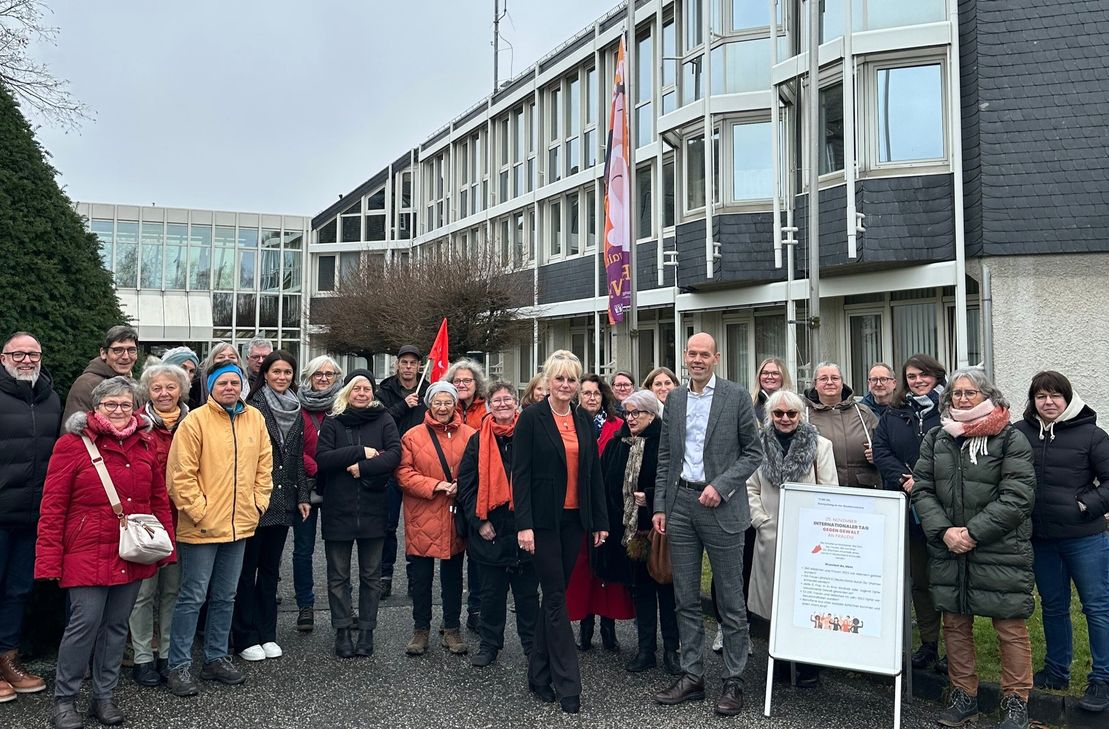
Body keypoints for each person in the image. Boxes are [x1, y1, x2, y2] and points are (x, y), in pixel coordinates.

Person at [36, 377, 174, 729]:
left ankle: (104, 696)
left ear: (135, 408)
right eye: (110, 404)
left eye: (125, 404)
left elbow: (157, 500)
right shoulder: (72, 445)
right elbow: (53, 506)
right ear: (95, 407)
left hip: (131, 551)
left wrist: (166, 549)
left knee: (116, 627)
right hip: (85, 552)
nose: (118, 411)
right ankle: (65, 700)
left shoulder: (143, 444)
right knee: (83, 625)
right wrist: (49, 559)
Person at [911, 368, 1037, 729]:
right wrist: (945, 531)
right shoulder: (937, 437)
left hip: (1000, 548)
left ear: (988, 396)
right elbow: (922, 488)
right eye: (956, 394)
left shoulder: (1009, 438)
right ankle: (963, 696)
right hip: (949, 545)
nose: (962, 399)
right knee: (955, 623)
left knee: (1010, 626)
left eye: (971, 393)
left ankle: (1016, 702)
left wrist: (972, 533)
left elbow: (1018, 496)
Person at [652, 332, 763, 717]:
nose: (697, 359)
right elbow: (666, 455)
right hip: (681, 504)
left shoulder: (735, 396)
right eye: (692, 353)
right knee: (685, 597)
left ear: (716, 357)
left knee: (730, 601)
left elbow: (754, 451)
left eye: (704, 354)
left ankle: (733, 681)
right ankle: (692, 676)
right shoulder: (677, 398)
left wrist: (722, 485)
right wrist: (661, 505)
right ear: (685, 356)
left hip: (721, 505)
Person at [164, 362, 272, 697]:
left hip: (240, 524)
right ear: (210, 386)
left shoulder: (254, 418)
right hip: (202, 526)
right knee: (193, 596)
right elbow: (180, 475)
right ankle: (178, 665)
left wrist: (257, 503)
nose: (229, 387)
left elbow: (264, 465)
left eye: (235, 382)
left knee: (226, 595)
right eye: (222, 382)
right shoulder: (195, 421)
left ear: (242, 385)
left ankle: (215, 657)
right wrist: (200, 511)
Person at [513, 350, 609, 715]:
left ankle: (537, 674)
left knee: (554, 597)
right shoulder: (532, 419)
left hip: (575, 521)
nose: (566, 385)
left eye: (572, 380)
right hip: (542, 521)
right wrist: (523, 524)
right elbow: (519, 475)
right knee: (556, 599)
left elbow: (593, 474)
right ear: (547, 382)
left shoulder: (584, 420)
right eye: (560, 379)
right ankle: (568, 684)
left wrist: (600, 522)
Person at [1013, 371, 1109, 713]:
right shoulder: (1019, 434)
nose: (1048, 402)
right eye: (1041, 396)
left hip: (1086, 538)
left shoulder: (1092, 436)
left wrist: (1085, 505)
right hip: (1041, 539)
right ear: (1033, 401)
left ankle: (1102, 677)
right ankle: (1056, 670)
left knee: (1096, 607)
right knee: (1053, 607)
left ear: (1067, 399)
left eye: (1055, 395)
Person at [746, 389, 838, 687]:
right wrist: (762, 521)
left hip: (808, 537)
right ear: (769, 415)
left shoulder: (820, 446)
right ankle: (781, 663)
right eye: (778, 413)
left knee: (808, 601)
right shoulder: (756, 447)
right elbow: (750, 489)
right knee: (777, 603)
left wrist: (819, 530)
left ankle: (809, 666)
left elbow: (829, 491)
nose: (785, 419)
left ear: (801, 414)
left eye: (791, 413)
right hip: (771, 537)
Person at [315, 370, 401, 658]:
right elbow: (323, 459)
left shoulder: (384, 418)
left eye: (366, 388)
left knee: (371, 576)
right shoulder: (333, 421)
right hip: (338, 509)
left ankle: (366, 630)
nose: (362, 393)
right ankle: (341, 629)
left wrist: (362, 468)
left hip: (374, 508)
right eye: (356, 388)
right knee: (338, 576)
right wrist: (361, 452)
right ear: (347, 392)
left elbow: (394, 454)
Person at [872, 354, 948, 673]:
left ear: (936, 376)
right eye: (912, 376)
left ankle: (956, 650)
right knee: (920, 579)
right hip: (906, 503)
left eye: (924, 375)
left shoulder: (950, 411)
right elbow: (881, 451)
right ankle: (929, 643)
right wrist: (905, 479)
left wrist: (924, 480)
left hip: (945, 507)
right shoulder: (894, 413)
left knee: (949, 579)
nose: (918, 381)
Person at [456, 382, 539, 667]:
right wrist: (479, 522)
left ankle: (532, 646)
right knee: (491, 594)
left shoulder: (530, 435)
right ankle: (489, 644)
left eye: (508, 399)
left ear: (517, 403)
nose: (503, 404)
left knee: (528, 594)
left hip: (523, 526)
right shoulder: (478, 441)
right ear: (489, 405)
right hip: (491, 529)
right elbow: (466, 486)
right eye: (497, 400)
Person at [234, 351, 310, 662]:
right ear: (264, 374)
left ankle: (268, 633)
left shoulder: (296, 408)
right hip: (256, 500)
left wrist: (303, 496)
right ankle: (245, 634)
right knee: (245, 571)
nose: (282, 377)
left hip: (284, 501)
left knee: (269, 571)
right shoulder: (252, 408)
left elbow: (298, 460)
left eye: (287, 372)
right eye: (276, 371)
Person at [599, 389, 680, 675]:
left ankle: (673, 649)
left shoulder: (665, 443)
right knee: (641, 592)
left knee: (666, 590)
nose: (631, 418)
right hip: (629, 531)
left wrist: (650, 495)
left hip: (659, 529)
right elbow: (606, 481)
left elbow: (675, 481)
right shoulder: (617, 443)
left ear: (652, 414)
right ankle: (646, 649)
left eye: (637, 413)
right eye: (627, 413)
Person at [0, 333, 61, 701]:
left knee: (18, 590)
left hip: (33, 516)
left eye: (33, 353)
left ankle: (7, 657)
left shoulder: (51, 398)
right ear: (3, 357)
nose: (26, 359)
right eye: (19, 353)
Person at [397, 381, 476, 656]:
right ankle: (420, 629)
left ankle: (452, 628)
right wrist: (436, 485)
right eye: (437, 402)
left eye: (448, 402)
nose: (442, 408)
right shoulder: (412, 436)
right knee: (421, 577)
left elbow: (479, 469)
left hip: (455, 513)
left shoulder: (470, 434)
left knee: (454, 576)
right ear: (429, 404)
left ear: (456, 404)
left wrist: (462, 486)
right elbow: (403, 474)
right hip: (423, 513)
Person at [127, 363, 190, 687]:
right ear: (147, 392)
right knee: (143, 593)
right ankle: (141, 657)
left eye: (170, 387)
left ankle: (167, 654)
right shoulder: (136, 425)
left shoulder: (194, 423)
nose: (164, 393)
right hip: (146, 521)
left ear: (181, 390)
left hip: (183, 520)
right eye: (157, 388)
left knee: (172, 591)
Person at [567, 373, 633, 651]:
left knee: (608, 571)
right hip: (579, 508)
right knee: (583, 571)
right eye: (586, 393)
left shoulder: (618, 425)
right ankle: (585, 625)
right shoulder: (570, 425)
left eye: (595, 393)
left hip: (611, 508)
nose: (591, 398)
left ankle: (608, 627)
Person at [292, 355, 343, 632]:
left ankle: (341, 607)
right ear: (308, 377)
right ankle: (305, 605)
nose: (323, 378)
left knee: (339, 550)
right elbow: (292, 447)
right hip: (305, 486)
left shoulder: (344, 406)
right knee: (303, 549)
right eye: (317, 374)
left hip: (337, 486)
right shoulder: (296, 408)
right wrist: (318, 466)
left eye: (329, 374)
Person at [376, 344, 429, 600]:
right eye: (404, 362)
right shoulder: (384, 389)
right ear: (397, 364)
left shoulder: (428, 390)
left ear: (419, 366)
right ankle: (385, 576)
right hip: (389, 465)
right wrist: (403, 406)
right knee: (387, 525)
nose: (408, 367)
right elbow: (378, 419)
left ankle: (414, 577)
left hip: (418, 466)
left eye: (413, 363)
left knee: (415, 525)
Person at [445, 357, 489, 630]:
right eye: (457, 381)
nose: (462, 385)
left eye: (467, 381)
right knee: (451, 553)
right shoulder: (444, 407)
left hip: (477, 488)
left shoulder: (486, 409)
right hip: (448, 489)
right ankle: (450, 616)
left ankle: (476, 608)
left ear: (476, 384)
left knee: (476, 554)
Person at [803, 362, 880, 488]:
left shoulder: (863, 413)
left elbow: (887, 449)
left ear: (842, 383)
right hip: (821, 492)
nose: (829, 382)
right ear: (815, 385)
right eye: (823, 379)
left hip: (863, 492)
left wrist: (878, 455)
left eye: (834, 378)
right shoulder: (803, 415)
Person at [63, 325, 139, 421]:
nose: (126, 356)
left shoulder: (134, 384)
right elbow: (74, 431)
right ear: (103, 353)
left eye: (131, 350)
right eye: (118, 350)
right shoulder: (86, 384)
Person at [188, 341, 242, 409]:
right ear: (212, 360)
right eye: (221, 357)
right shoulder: (196, 385)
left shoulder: (249, 383)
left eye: (232, 357)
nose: (226, 360)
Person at [751, 357, 792, 424]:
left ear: (783, 377)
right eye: (765, 373)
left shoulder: (794, 403)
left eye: (775, 373)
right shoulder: (749, 403)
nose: (769, 377)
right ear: (759, 377)